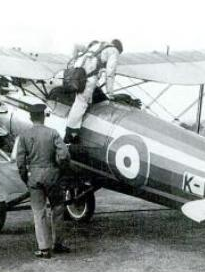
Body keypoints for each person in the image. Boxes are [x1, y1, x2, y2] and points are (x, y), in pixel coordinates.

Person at [16, 103, 71, 259]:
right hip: (53, 176)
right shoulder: (53, 133)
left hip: (35, 177)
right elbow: (64, 155)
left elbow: (20, 162)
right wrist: (60, 170)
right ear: (43, 117)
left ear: (31, 117)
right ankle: (58, 243)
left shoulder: (24, 136)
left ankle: (44, 249)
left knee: (39, 212)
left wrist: (25, 177)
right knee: (58, 209)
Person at [64, 39, 123, 143]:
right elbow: (110, 73)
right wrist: (110, 93)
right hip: (88, 79)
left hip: (78, 74)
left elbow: (77, 46)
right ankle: (70, 134)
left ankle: (74, 130)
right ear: (118, 49)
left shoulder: (99, 45)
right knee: (81, 103)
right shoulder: (114, 51)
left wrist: (72, 62)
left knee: (82, 101)